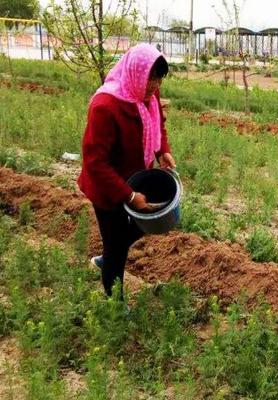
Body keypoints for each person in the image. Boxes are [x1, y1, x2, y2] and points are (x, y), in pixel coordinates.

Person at [77, 44, 176, 298]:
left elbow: (158, 123)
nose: (154, 87)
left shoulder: (147, 91)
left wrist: (162, 150)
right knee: (117, 248)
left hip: (134, 175)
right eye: (150, 80)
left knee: (149, 221)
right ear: (135, 73)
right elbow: (95, 163)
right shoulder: (105, 107)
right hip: (106, 188)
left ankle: (108, 255)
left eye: (158, 80)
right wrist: (129, 195)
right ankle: (114, 304)